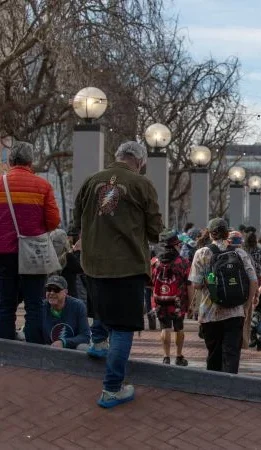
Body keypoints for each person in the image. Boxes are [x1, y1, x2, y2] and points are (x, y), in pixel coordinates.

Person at [73, 141, 163, 408]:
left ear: (117, 156)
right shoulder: (141, 184)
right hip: (126, 265)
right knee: (123, 328)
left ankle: (98, 342)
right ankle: (112, 388)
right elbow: (155, 228)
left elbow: (76, 219)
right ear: (141, 161)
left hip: (92, 263)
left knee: (100, 307)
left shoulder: (91, 181)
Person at [0, 141, 60, 344]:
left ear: (10, 160)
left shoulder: (1, 183)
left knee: (5, 303)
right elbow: (53, 221)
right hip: (34, 252)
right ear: (30, 161)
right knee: (35, 303)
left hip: (4, 252)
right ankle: (34, 347)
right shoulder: (42, 186)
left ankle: (6, 346)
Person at [187, 218, 258, 374]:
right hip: (235, 312)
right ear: (227, 233)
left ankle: (214, 389)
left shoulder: (202, 253)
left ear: (211, 234)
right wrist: (246, 306)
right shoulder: (239, 252)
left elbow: (196, 284)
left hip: (210, 313)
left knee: (214, 354)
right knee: (232, 354)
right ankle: (230, 388)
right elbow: (253, 281)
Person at [150, 231, 190, 366]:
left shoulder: (155, 262)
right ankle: (179, 356)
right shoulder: (183, 262)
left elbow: (150, 282)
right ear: (176, 245)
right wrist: (190, 302)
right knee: (179, 328)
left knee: (164, 327)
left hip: (160, 299)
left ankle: (166, 356)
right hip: (178, 301)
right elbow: (189, 284)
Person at [41, 275, 90, 349]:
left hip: (71, 349)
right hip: (47, 349)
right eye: (49, 289)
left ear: (65, 292)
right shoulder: (41, 306)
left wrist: (64, 342)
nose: (51, 293)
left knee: (83, 347)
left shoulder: (78, 306)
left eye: (56, 290)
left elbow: (85, 336)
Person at [241, 228, 261, 349]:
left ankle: (243, 339)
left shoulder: (242, 251)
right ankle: (253, 338)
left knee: (243, 313)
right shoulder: (260, 251)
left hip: (244, 285)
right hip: (257, 283)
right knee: (255, 312)